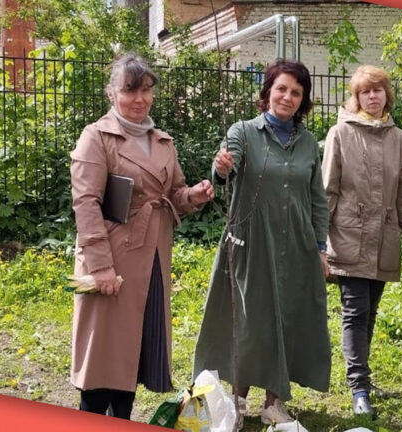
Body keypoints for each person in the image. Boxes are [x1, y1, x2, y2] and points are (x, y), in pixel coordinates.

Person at [70, 53, 214, 419]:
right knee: (102, 359)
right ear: (112, 93)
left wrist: (192, 197)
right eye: (130, 90)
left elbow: (174, 193)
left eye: (146, 90)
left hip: (151, 262)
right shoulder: (96, 137)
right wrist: (100, 267)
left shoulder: (162, 141)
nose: (139, 99)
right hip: (110, 260)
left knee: (131, 356)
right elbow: (86, 204)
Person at [193, 59, 330, 428]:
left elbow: (317, 200)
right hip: (250, 244)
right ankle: (237, 400)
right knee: (248, 320)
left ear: (303, 100)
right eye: (281, 88)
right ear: (268, 91)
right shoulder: (242, 131)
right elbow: (225, 168)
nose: (287, 97)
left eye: (296, 92)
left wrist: (320, 248)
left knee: (286, 318)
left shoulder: (308, 143)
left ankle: (274, 402)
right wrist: (222, 166)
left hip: (297, 245)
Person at [321, 65, 402, 416]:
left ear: (386, 95)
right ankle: (359, 387)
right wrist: (320, 242)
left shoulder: (399, 139)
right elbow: (327, 190)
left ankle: (362, 376)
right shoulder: (340, 133)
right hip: (348, 236)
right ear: (356, 97)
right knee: (355, 311)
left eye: (378, 90)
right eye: (365, 91)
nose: (372, 96)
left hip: (384, 239)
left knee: (370, 311)